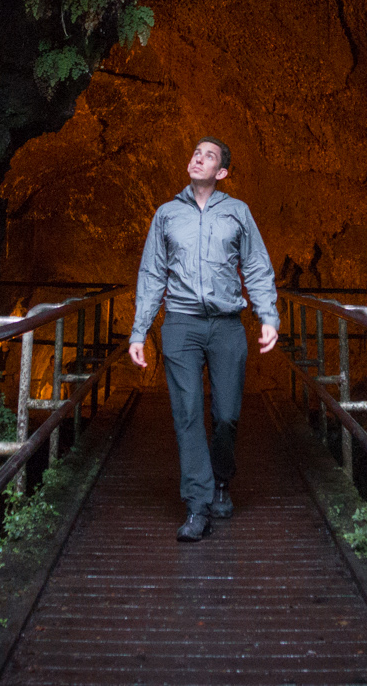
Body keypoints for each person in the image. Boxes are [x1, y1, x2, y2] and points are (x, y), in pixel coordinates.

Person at [127, 137, 281, 541]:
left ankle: (222, 481)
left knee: (227, 414)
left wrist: (268, 315)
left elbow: (257, 266)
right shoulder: (166, 214)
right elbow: (151, 274)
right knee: (188, 413)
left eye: (208, 155)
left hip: (228, 325)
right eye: (196, 152)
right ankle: (198, 507)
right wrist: (139, 330)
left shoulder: (237, 213)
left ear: (222, 172)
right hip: (180, 325)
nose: (198, 158)